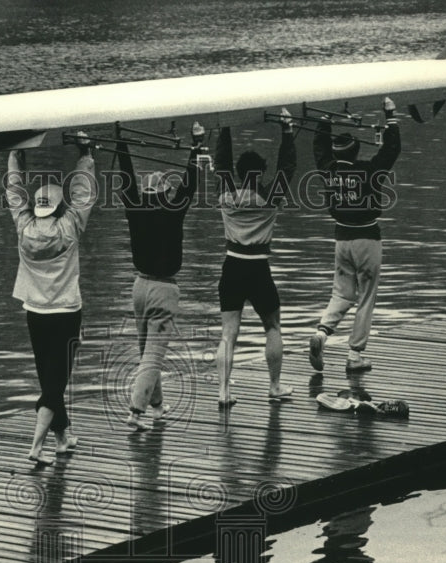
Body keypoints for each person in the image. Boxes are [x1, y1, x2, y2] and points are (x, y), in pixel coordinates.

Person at [7, 133, 97, 466]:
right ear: (59, 206)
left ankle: (63, 437)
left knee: (48, 376)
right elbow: (83, 194)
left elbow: (14, 193)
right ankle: (36, 445)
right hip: (66, 312)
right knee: (56, 382)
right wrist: (85, 154)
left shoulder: (23, 227)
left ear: (37, 207)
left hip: (35, 312)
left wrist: (17, 156)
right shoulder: (69, 227)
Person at [117, 123, 206, 431]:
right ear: (165, 193)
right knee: (153, 356)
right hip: (164, 290)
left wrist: (121, 143)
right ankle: (135, 412)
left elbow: (126, 179)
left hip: (139, 286)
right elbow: (190, 183)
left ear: (146, 192)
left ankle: (156, 407)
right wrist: (196, 147)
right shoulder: (172, 210)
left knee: (146, 351)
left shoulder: (135, 207)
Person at [308, 98, 401, 373]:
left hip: (341, 241)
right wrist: (391, 116)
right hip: (367, 239)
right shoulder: (369, 170)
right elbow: (392, 149)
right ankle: (355, 354)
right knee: (366, 296)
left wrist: (325, 119)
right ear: (357, 150)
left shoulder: (329, 169)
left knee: (342, 293)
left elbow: (319, 147)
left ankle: (322, 333)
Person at [214, 108, 297, 406]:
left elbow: (220, 162)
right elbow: (287, 168)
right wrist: (287, 131)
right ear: (260, 174)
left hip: (231, 267)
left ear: (238, 173)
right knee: (272, 326)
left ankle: (223, 392)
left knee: (229, 333)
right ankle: (274, 386)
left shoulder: (226, 194)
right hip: (259, 270)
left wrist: (225, 128)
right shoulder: (270, 196)